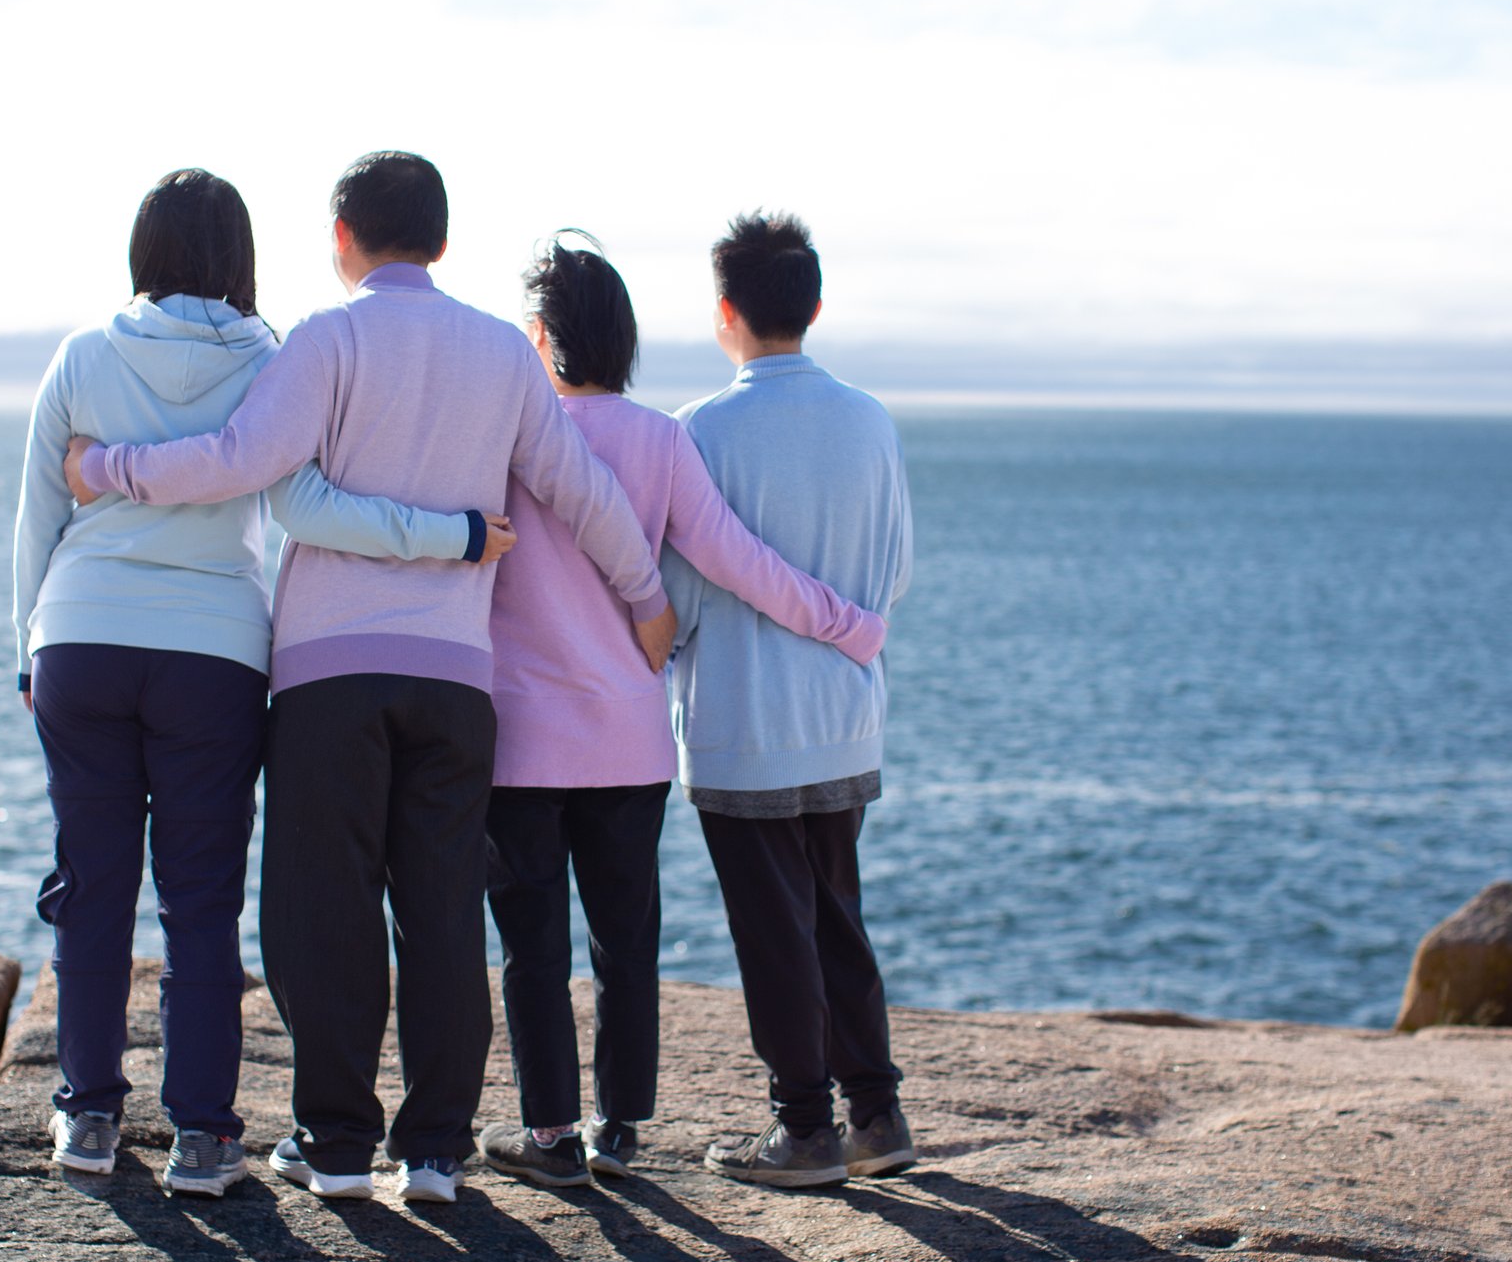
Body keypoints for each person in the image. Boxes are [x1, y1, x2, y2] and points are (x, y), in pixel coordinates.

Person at [66, 152, 671, 1206]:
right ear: (439, 240)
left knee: (319, 909)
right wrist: (646, 598)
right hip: (452, 677)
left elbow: (239, 458)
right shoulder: (499, 352)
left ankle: (336, 1141)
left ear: (342, 234)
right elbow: (580, 487)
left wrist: (105, 470)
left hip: (325, 674)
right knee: (440, 909)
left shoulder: (325, 339)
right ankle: (434, 1148)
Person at [13, 167, 511, 1199]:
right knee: (201, 904)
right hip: (216, 652)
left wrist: (31, 646)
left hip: (84, 633)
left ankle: (90, 1119)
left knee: (93, 888)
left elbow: (37, 519)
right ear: (243, 258)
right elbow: (299, 502)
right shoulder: (277, 361)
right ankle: (203, 1134)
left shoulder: (82, 355)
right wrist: (454, 536)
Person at [472, 234, 886, 1190]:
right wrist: (847, 622)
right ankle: (620, 1129)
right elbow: (737, 561)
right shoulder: (663, 439)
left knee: (532, 947)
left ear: (539, 339)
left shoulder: (501, 441)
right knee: (627, 941)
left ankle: (549, 1138)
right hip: (629, 740)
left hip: (522, 740)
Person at [665, 212, 917, 1189]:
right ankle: (877, 1111)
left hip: (743, 716)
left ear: (725, 311)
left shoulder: (699, 430)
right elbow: (892, 574)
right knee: (836, 913)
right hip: (845, 712)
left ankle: (803, 1127)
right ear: (814, 304)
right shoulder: (870, 418)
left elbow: (680, 591)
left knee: (772, 928)